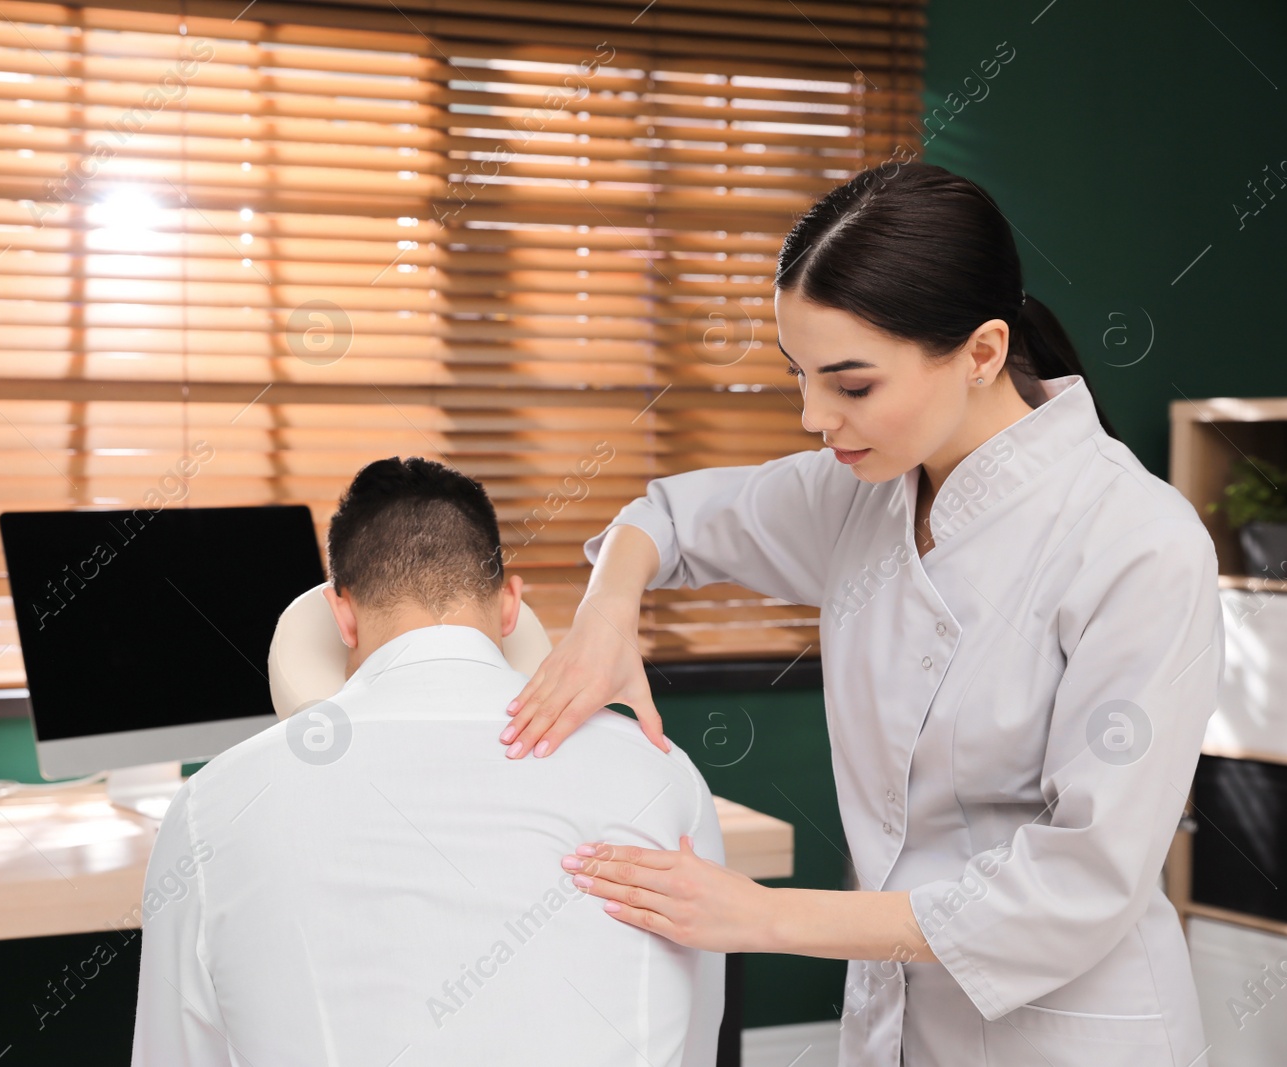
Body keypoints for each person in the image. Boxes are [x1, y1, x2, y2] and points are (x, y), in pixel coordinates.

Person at [499, 163, 1225, 1066]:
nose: (813, 416)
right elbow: (665, 519)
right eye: (799, 375)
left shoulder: (1139, 542)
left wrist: (760, 913)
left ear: (983, 352)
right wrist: (608, 611)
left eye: (851, 384)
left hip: (1072, 1034)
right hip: (894, 1022)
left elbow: (1080, 881)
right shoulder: (865, 491)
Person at [131, 457, 727, 1066]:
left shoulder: (213, 804)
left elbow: (174, 1052)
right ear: (511, 604)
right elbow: (694, 1039)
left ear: (341, 615)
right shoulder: (661, 775)